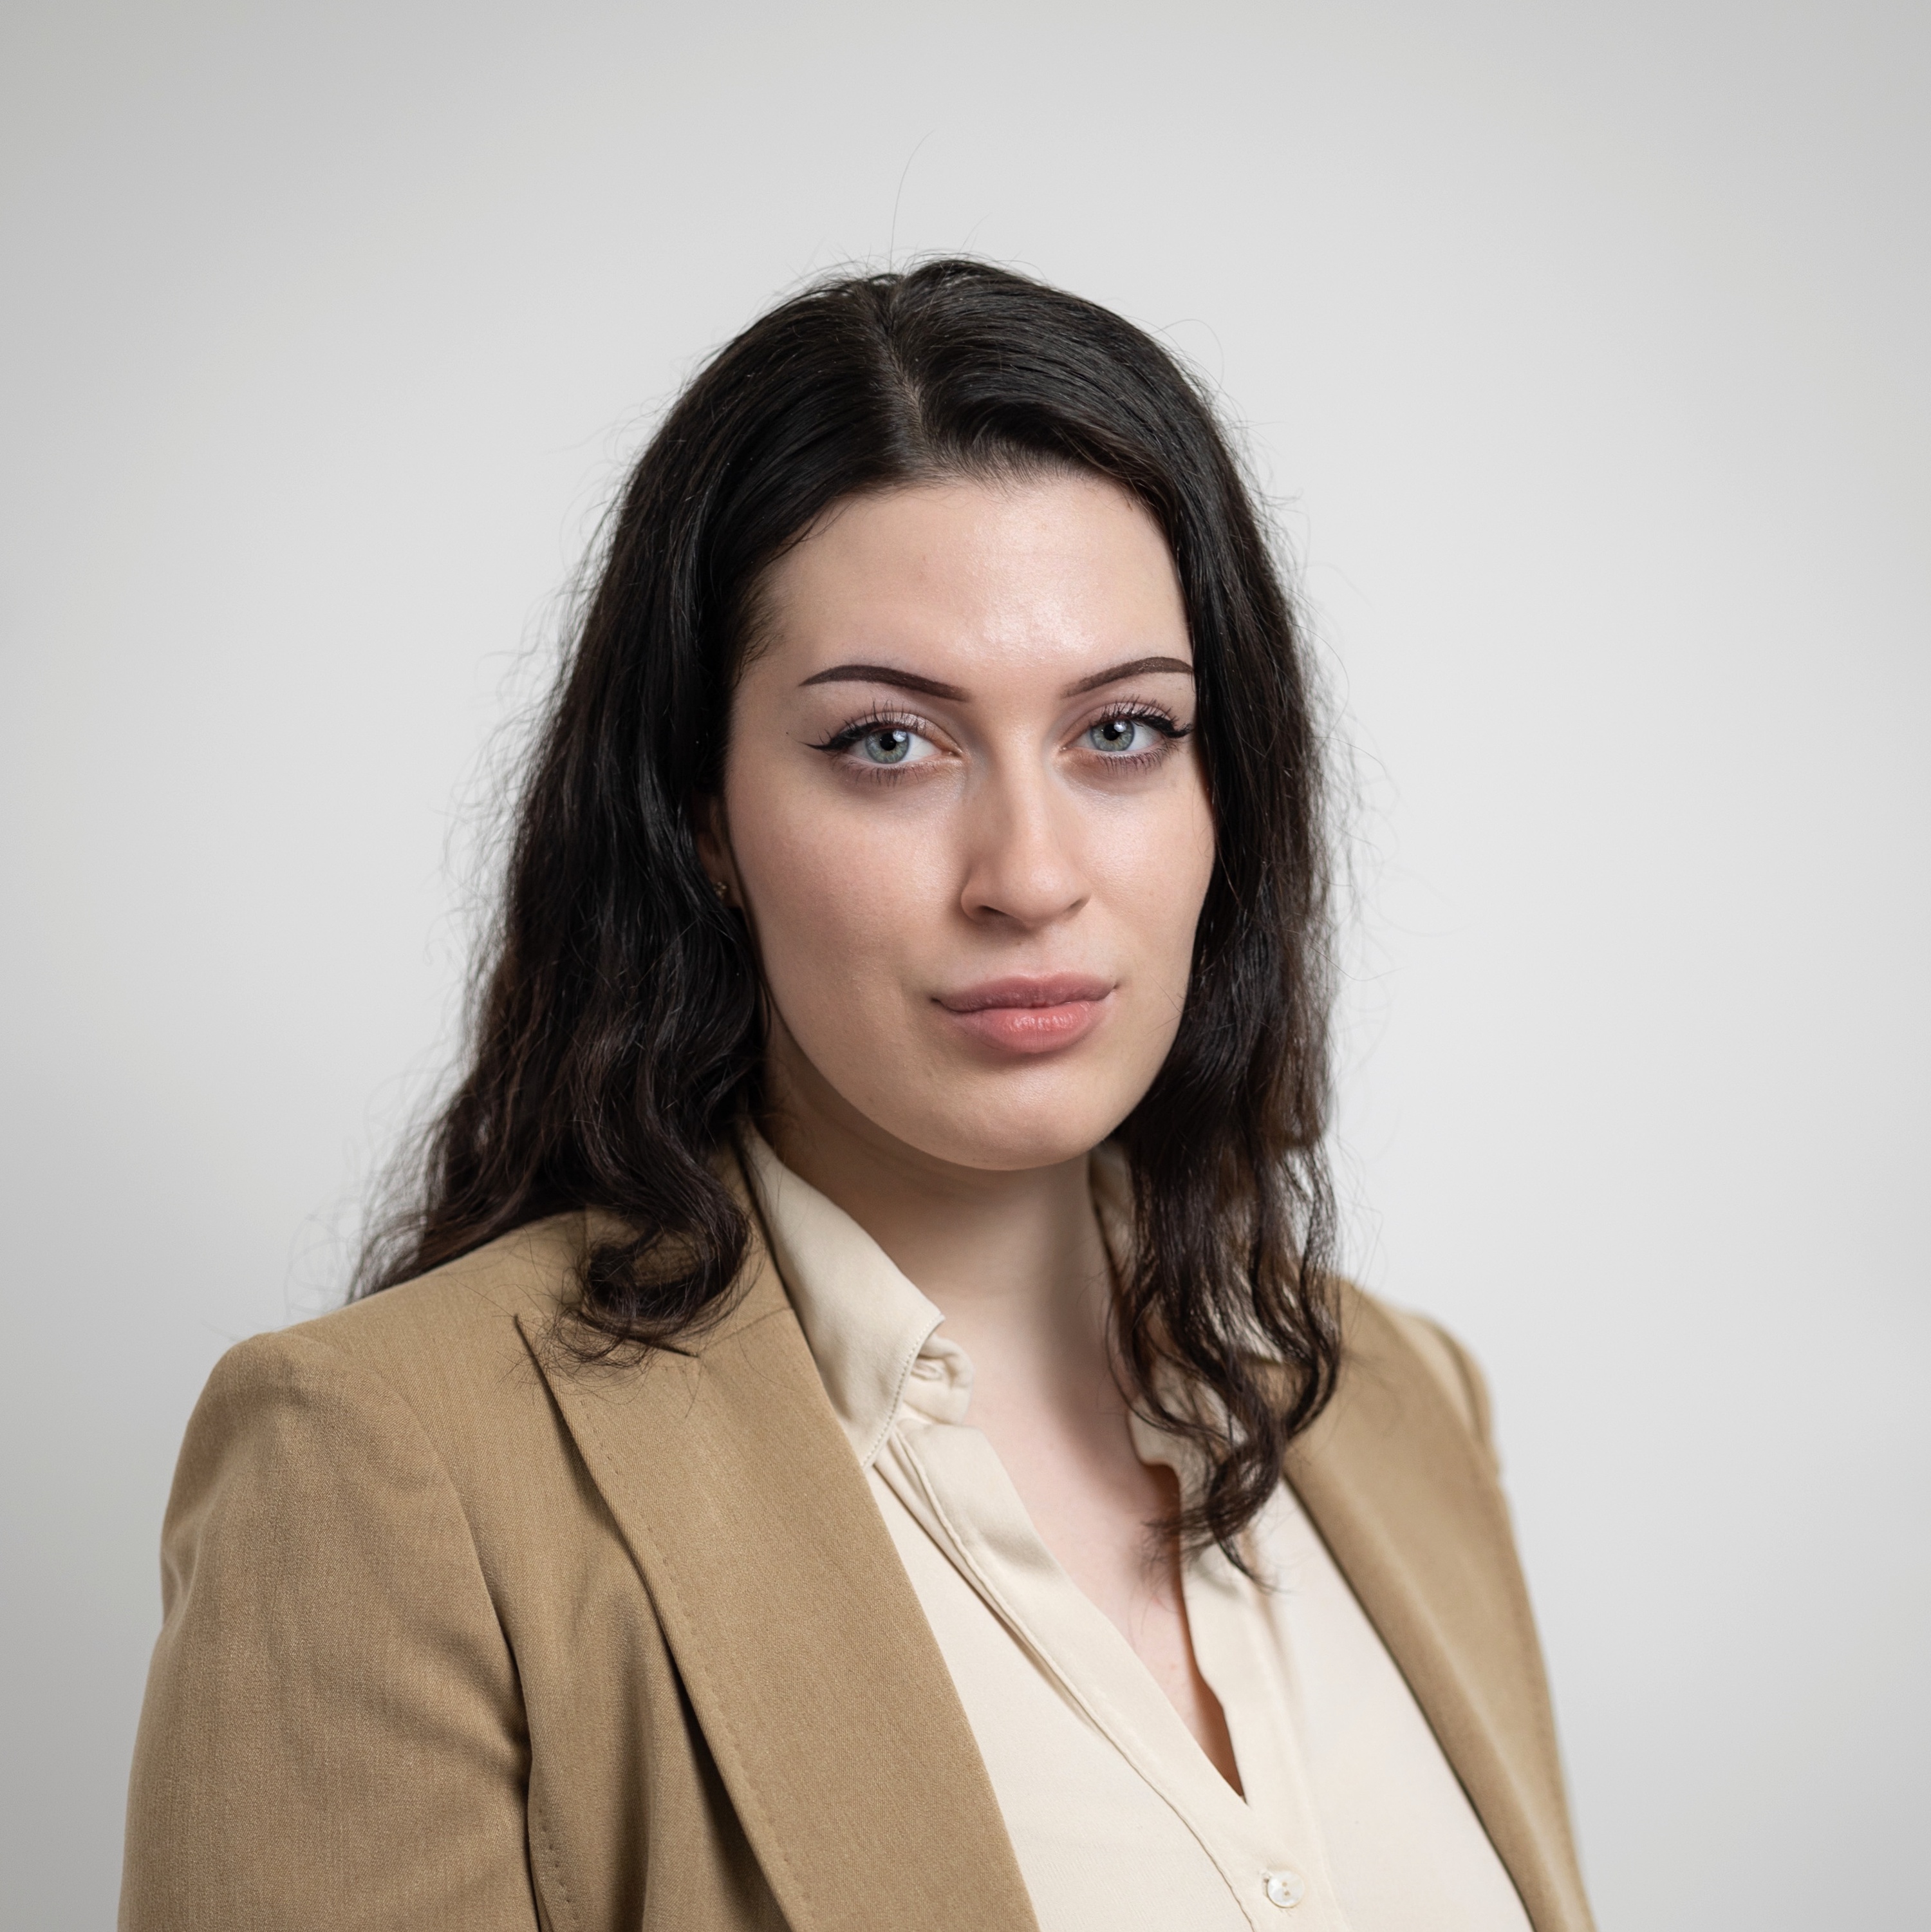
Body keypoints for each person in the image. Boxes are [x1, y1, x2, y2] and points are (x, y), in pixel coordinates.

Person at [120, 260, 1595, 1932]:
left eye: (1122, 728)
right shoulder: (394, 1474)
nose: (1030, 874)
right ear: (700, 816)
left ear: (1224, 791)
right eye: (890, 744)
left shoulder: (1400, 1407)